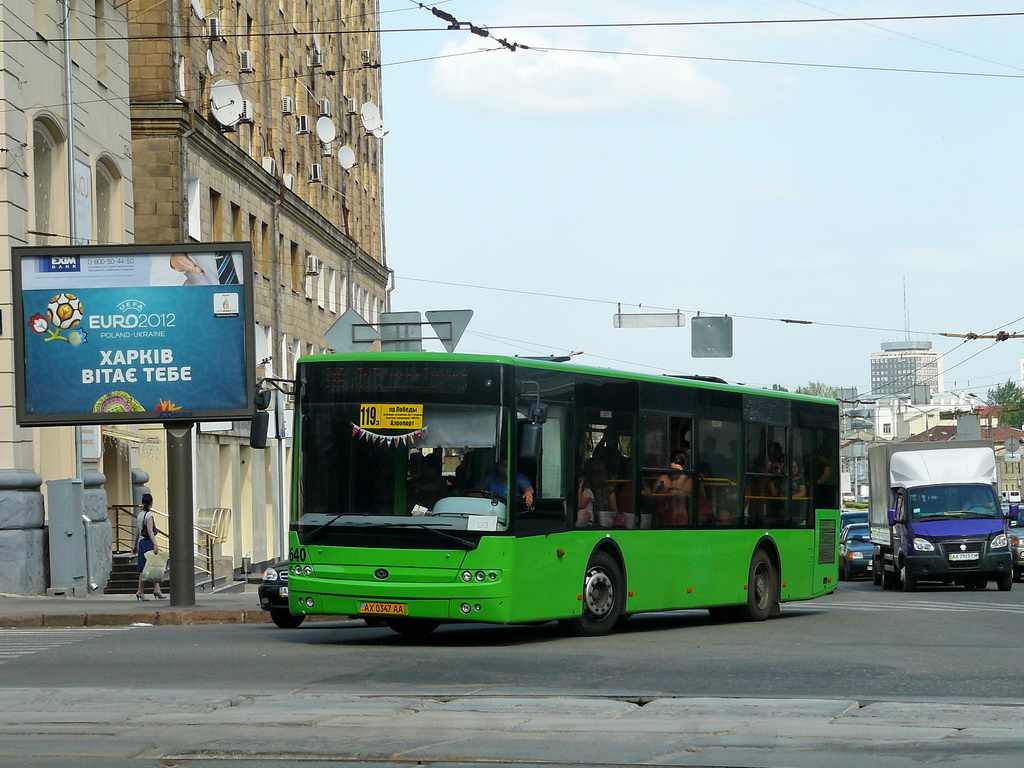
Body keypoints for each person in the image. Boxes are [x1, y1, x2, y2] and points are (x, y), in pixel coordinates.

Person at [131, 493, 166, 600]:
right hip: (148, 542)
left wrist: (135, 545)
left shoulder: (140, 515)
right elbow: (150, 530)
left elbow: (137, 531)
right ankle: (140, 591)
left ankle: (157, 589)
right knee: (149, 566)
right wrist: (155, 544)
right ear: (151, 503)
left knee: (149, 566)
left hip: (141, 543)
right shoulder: (149, 516)